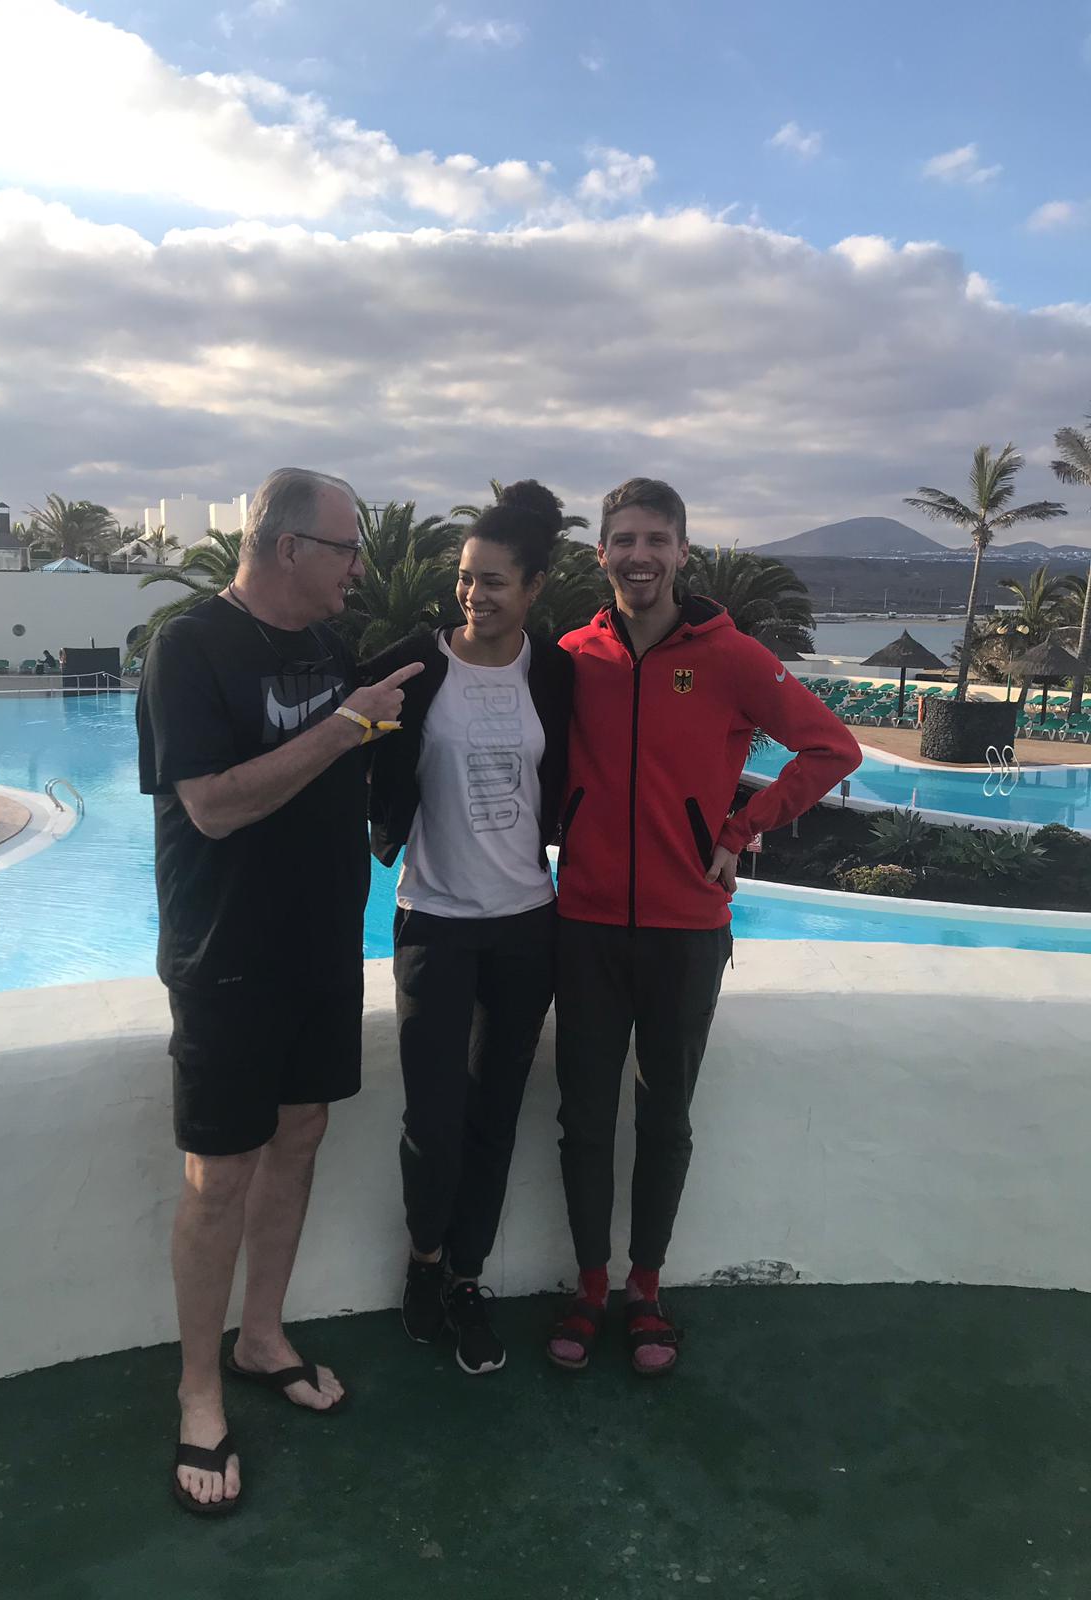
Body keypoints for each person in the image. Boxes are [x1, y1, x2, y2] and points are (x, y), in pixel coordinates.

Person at [136, 468, 422, 1516]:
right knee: (220, 1176)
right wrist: (349, 726)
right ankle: (198, 1390)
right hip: (226, 956)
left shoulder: (330, 649)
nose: (361, 569)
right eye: (347, 549)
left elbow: (364, 763)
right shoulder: (189, 647)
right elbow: (212, 805)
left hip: (320, 950)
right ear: (290, 546)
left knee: (301, 1135)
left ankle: (262, 1338)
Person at [546, 477, 860, 1377]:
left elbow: (831, 747)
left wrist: (740, 829)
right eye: (623, 539)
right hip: (585, 923)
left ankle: (646, 1290)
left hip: (686, 927)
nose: (639, 555)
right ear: (601, 553)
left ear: (683, 551)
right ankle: (591, 1287)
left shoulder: (730, 657)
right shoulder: (572, 656)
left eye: (656, 539)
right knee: (583, 1116)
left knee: (665, 1115)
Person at [365, 481, 574, 1375]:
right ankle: (423, 1259)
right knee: (434, 1119)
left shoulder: (554, 673)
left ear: (534, 587)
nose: (473, 595)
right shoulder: (414, 666)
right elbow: (346, 740)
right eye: (464, 577)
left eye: (493, 581)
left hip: (527, 924)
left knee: (496, 1114)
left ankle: (465, 1279)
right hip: (435, 922)